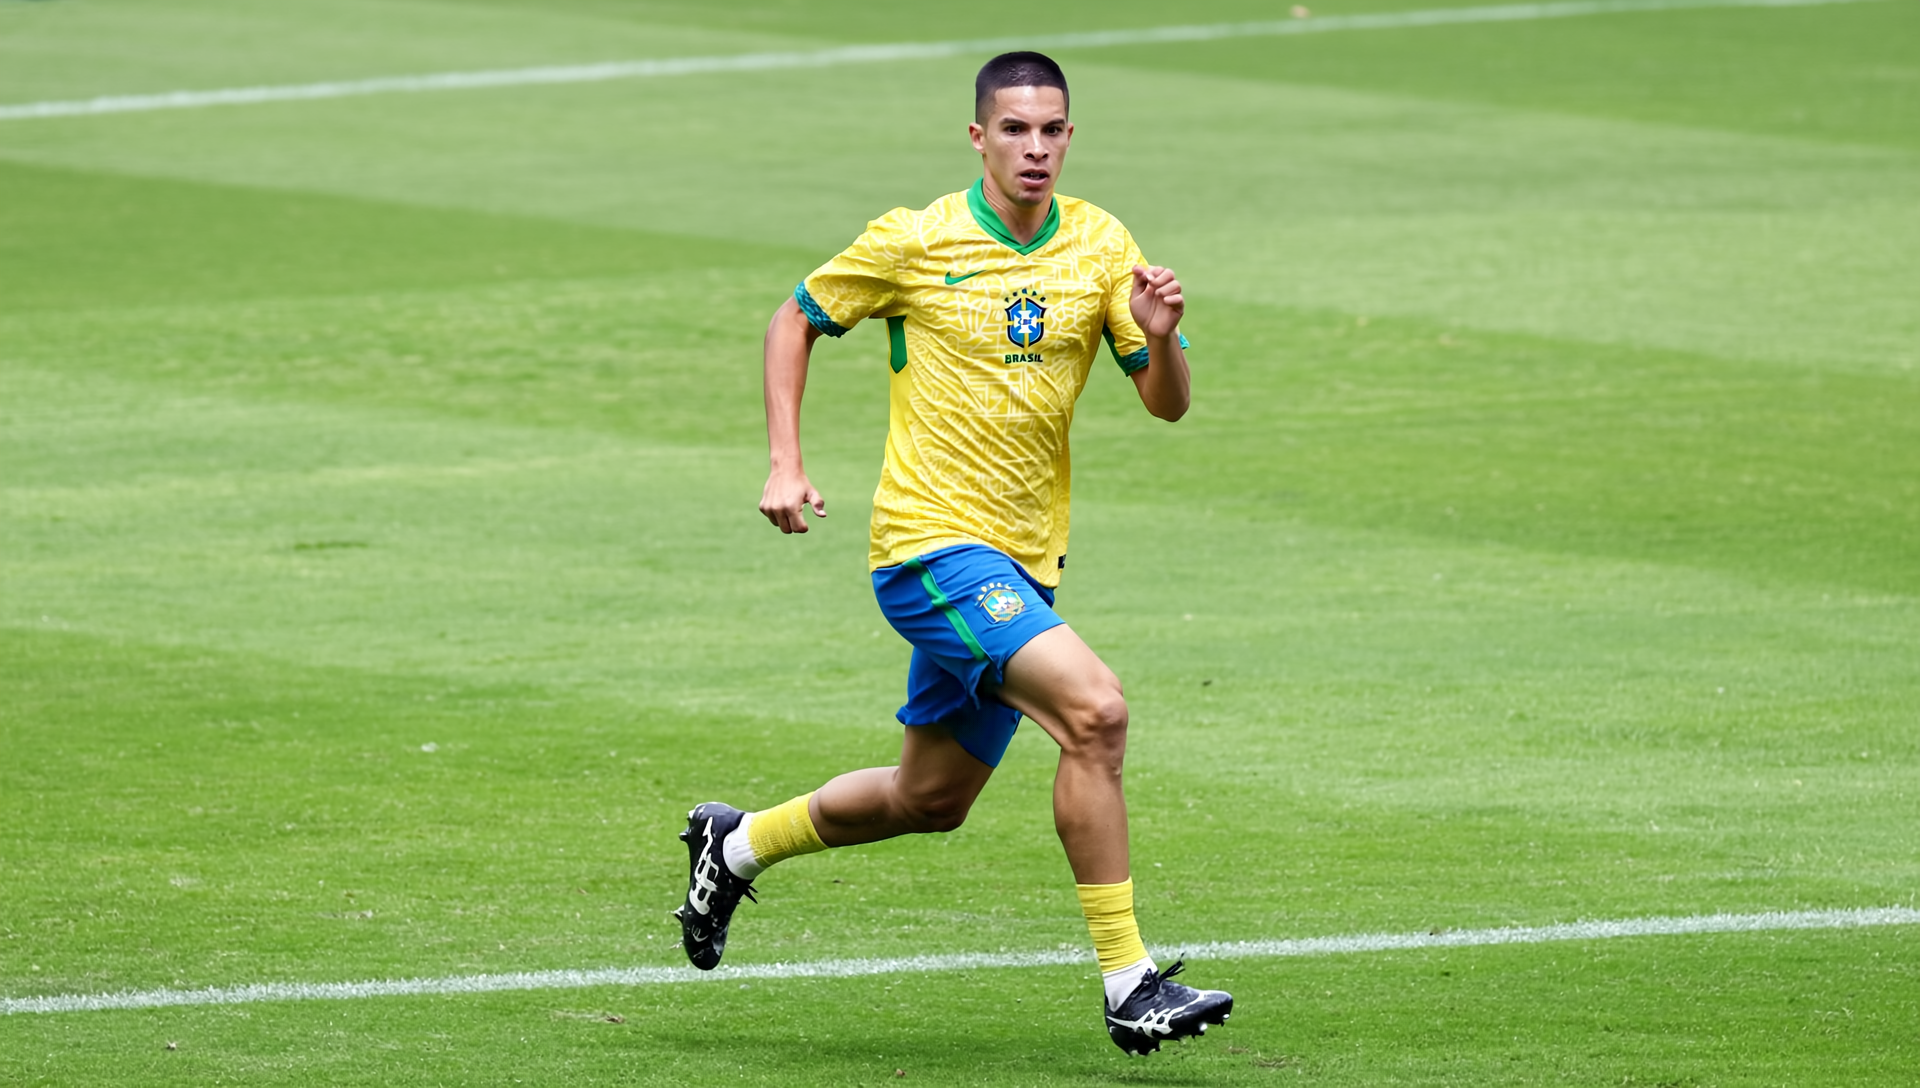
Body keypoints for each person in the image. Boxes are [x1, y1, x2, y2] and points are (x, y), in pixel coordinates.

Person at [674, 50, 1231, 1056]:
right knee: (1095, 713)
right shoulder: (915, 240)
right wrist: (784, 461)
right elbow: (794, 319)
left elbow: (1166, 402)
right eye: (1014, 129)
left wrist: (1165, 334)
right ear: (979, 137)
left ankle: (737, 842)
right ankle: (1128, 978)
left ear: (1070, 137)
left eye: (1051, 129)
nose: (1034, 147)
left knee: (927, 797)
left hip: (1024, 564)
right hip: (930, 548)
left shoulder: (1103, 244)